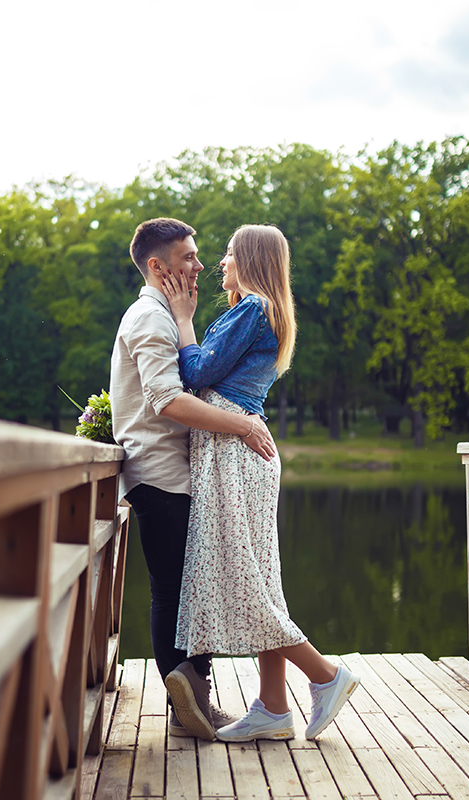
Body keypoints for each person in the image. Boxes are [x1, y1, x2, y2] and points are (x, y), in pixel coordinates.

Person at [162, 223, 361, 741]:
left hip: (233, 450)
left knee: (243, 582)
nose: (220, 264)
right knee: (261, 580)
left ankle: (326, 675)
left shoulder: (250, 309)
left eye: (227, 254)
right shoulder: (261, 311)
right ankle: (273, 708)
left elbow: (199, 374)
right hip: (237, 448)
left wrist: (183, 321)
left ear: (249, 259)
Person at [109, 218, 277, 741]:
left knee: (187, 589)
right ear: (158, 267)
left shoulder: (164, 315)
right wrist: (245, 424)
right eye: (187, 258)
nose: (200, 266)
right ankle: (190, 708)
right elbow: (169, 399)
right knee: (175, 591)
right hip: (162, 475)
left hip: (179, 474)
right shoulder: (151, 318)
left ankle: (193, 701)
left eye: (202, 256)